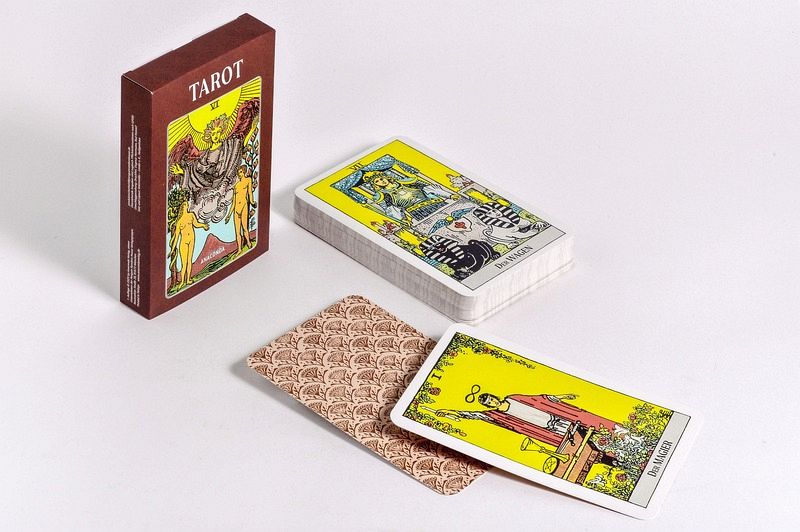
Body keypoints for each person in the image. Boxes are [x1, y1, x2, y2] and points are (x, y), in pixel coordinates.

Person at [436, 392, 620, 447]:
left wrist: (562, 397)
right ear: (487, 405)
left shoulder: (513, 398)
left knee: (589, 429)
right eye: (488, 402)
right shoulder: (495, 415)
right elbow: (473, 415)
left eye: (491, 398)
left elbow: (540, 399)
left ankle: (615, 438)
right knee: (582, 442)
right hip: (550, 430)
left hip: (558, 417)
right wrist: (448, 412)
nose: (491, 401)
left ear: (494, 396)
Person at [168, 200, 209, 287]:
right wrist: (172, 249)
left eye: (187, 204)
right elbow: (176, 237)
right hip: (183, 242)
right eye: (186, 205)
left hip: (191, 239)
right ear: (183, 207)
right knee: (184, 263)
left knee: (189, 260)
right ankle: (182, 281)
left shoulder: (191, 215)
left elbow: (196, 224)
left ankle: (188, 279)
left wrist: (203, 225)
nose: (187, 206)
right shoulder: (179, 222)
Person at [225, 166, 256, 254]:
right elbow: (233, 202)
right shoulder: (236, 186)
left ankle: (248, 242)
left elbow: (250, 193)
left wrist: (252, 202)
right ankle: (239, 249)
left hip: (244, 206)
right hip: (236, 210)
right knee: (237, 231)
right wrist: (228, 215)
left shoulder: (248, 180)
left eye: (241, 172)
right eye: (238, 173)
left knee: (245, 228)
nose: (239, 174)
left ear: (244, 172)